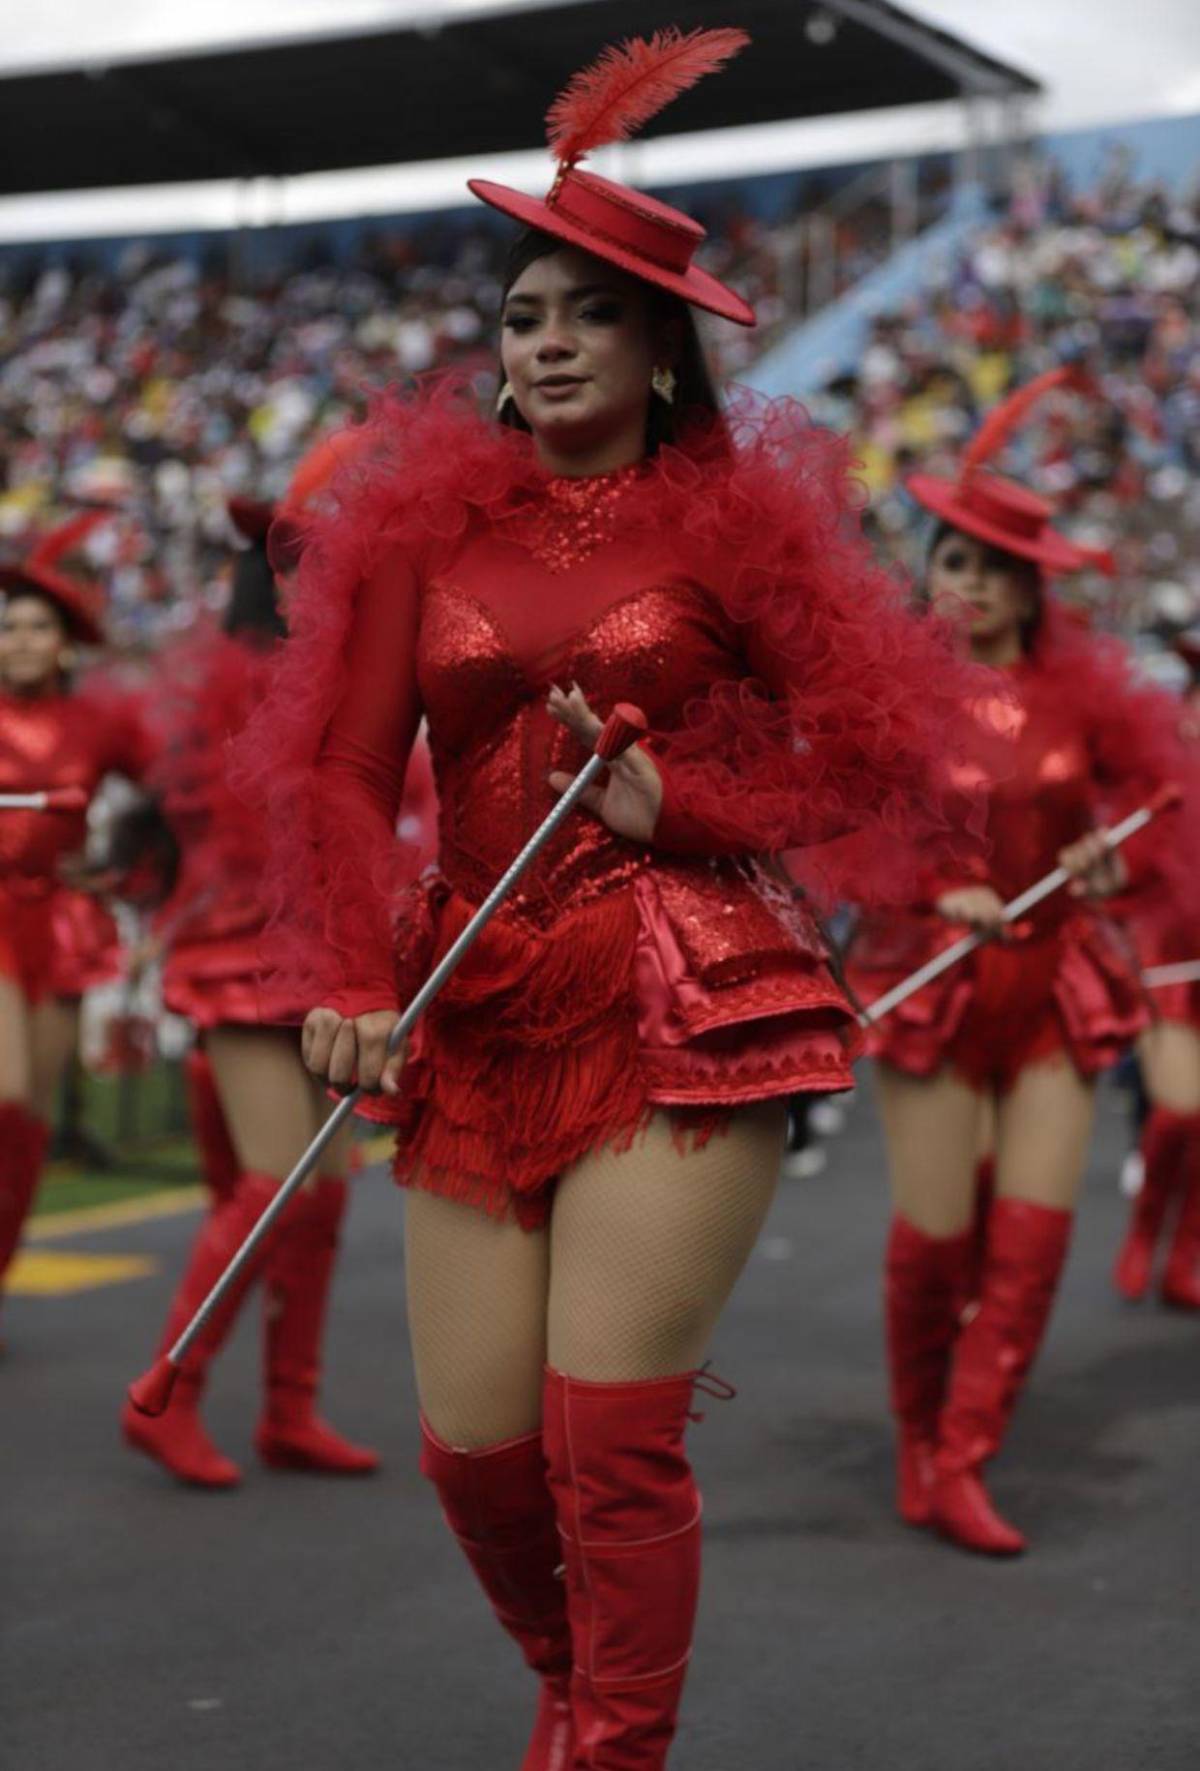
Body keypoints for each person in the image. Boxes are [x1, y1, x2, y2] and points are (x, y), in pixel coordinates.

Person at [236, 28, 987, 1768]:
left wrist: (689, 801)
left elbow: (869, 763)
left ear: (664, 353)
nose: (548, 340)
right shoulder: (419, 535)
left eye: (587, 313)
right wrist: (348, 970)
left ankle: (614, 1749)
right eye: (522, 315)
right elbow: (349, 772)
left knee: (609, 1440)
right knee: (472, 1449)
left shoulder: (741, 536)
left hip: (688, 991)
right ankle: (575, 1691)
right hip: (470, 1007)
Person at [850, 369, 1198, 1558]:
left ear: (1032, 591)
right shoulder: (892, 698)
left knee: (1033, 1241)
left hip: (1052, 981)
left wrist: (1104, 859)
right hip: (933, 981)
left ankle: (964, 1454)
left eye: (999, 572)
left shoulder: (1077, 702)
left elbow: (1147, 818)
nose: (975, 589)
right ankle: (913, 1432)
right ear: (929, 571)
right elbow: (841, 829)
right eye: (956, 564)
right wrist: (927, 883)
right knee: (937, 1240)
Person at [120, 475, 394, 1487]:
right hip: (242, 962)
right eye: (296, 571)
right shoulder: (229, 695)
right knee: (276, 1183)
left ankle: (290, 1409)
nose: (318, 591)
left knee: (323, 1197)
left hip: (327, 966)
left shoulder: (355, 682)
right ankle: (169, 1392)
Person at [0, 514, 151, 1332]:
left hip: (58, 919)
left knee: (26, 1122)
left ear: (64, 644)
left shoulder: (101, 722)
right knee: (5, 1091)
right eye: (8, 626)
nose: (17, 639)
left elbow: (178, 795)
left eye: (35, 627)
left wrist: (124, 873)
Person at [1112, 630, 1200, 1309]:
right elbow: (1126, 870)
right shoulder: (1159, 778)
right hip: (1170, 966)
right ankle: (1146, 1228)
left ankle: (1186, 1257)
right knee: (1177, 1110)